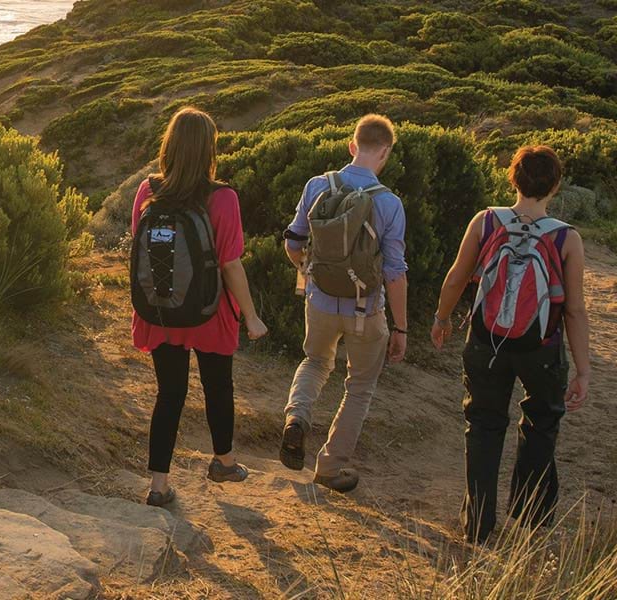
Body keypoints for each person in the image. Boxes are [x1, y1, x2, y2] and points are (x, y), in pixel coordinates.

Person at [431, 146, 592, 544]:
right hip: (542, 347)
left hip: (486, 342)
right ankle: (532, 521)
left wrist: (442, 317)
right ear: (554, 185)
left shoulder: (485, 220)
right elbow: (574, 310)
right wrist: (584, 370)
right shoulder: (566, 237)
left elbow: (456, 278)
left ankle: (478, 526)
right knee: (541, 423)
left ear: (512, 178)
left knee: (483, 426)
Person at [130, 107, 268, 508]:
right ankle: (223, 462)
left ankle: (158, 485)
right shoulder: (223, 198)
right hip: (209, 313)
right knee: (218, 386)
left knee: (169, 394)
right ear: (209, 150)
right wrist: (252, 317)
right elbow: (230, 264)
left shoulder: (147, 190)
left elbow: (140, 246)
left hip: (161, 309)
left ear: (169, 146)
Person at [279, 115, 409, 493]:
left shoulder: (318, 185)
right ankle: (330, 467)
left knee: (315, 362)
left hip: (319, 301)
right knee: (360, 386)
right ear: (384, 153)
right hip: (365, 308)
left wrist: (309, 270)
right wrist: (400, 328)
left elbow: (292, 243)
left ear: (352, 146)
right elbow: (395, 273)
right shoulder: (389, 203)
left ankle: (297, 419)